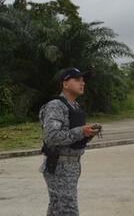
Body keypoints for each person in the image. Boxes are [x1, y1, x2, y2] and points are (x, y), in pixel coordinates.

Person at [40, 67, 101, 216]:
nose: (83, 83)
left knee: (57, 208)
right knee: (68, 210)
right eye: (77, 79)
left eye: (83, 80)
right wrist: (81, 131)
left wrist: (88, 134)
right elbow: (51, 136)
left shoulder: (74, 106)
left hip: (71, 165)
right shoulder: (56, 105)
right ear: (65, 84)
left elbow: (72, 138)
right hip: (60, 166)